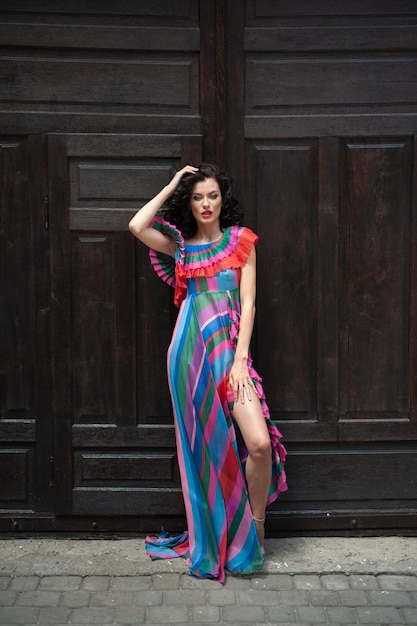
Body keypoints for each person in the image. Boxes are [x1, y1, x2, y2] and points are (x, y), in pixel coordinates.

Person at [129, 163, 287, 582]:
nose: (205, 204)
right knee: (204, 449)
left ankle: (255, 528)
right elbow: (137, 224)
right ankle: (214, 534)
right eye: (197, 197)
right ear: (190, 201)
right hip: (189, 356)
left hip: (230, 354)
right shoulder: (180, 249)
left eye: (212, 195)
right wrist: (169, 186)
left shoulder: (241, 242)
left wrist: (240, 360)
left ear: (223, 200)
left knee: (257, 444)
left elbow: (249, 304)